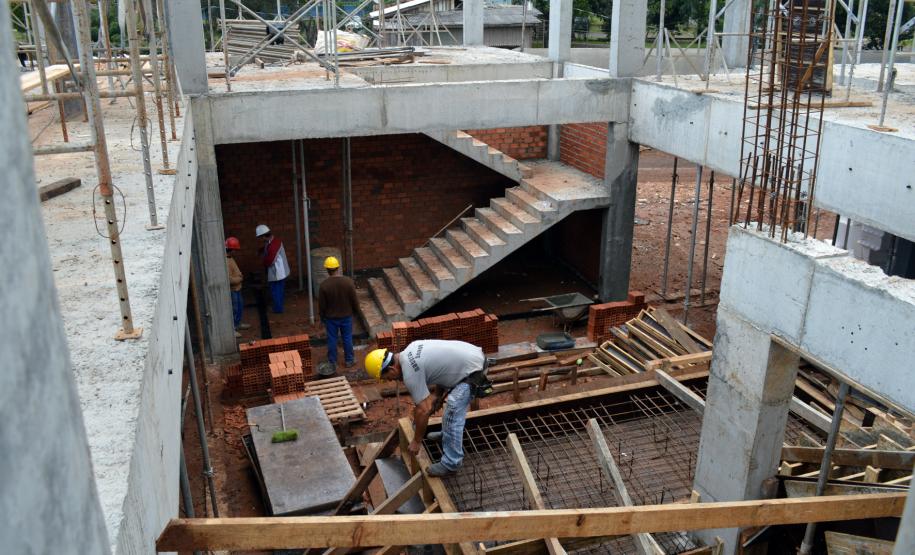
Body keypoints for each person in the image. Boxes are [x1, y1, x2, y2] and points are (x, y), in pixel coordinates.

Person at [365, 340, 490, 477]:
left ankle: (451, 464)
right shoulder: (411, 348)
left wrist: (417, 441)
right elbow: (442, 368)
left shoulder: (410, 372)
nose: (390, 381)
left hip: (473, 372)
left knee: (453, 415)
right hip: (472, 358)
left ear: (392, 369)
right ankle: (447, 436)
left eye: (387, 378)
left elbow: (423, 410)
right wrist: (437, 394)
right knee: (449, 412)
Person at [318, 256, 364, 369]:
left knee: (332, 339)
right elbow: (354, 300)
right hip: (346, 316)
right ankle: (349, 360)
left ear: (327, 270)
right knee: (347, 338)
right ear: (338, 268)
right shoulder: (348, 282)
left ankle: (332, 362)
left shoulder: (324, 286)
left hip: (331, 318)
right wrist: (356, 312)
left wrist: (322, 317)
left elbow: (322, 305)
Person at [256, 224, 289, 313]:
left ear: (264, 236)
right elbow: (268, 248)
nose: (261, 239)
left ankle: (278, 309)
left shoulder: (274, 244)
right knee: (279, 291)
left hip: (277, 272)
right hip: (279, 272)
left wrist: (263, 262)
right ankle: (279, 307)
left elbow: (270, 260)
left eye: (261, 237)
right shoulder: (273, 242)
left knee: (276, 291)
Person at [225, 237, 251, 337]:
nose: (236, 252)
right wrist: (240, 278)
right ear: (231, 249)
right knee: (234, 309)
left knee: (240, 307)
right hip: (233, 289)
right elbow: (229, 280)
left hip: (237, 288)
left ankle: (238, 323)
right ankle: (233, 328)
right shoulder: (226, 262)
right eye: (235, 250)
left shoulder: (230, 258)